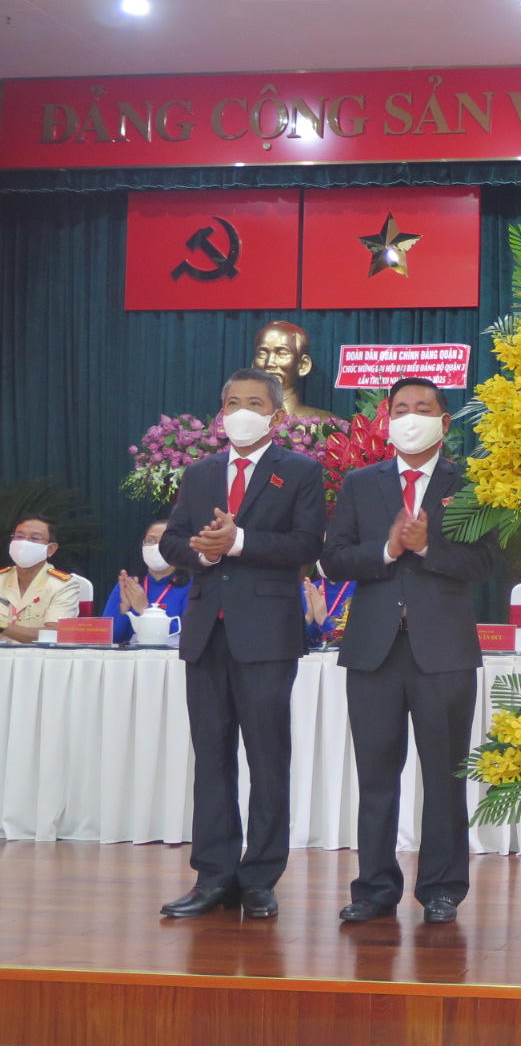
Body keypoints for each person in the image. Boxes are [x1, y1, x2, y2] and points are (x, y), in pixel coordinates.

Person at [321, 377, 497, 925]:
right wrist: (387, 548)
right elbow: (334, 559)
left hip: (443, 651)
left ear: (444, 422)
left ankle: (442, 889)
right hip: (373, 650)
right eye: (400, 409)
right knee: (376, 775)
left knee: (444, 775)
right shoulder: (361, 483)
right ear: (387, 420)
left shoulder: (470, 484)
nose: (410, 417)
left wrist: (427, 548)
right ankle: (374, 889)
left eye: (423, 408)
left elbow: (486, 563)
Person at [158, 368, 325, 919]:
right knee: (211, 758)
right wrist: (203, 551)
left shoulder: (299, 470)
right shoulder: (200, 472)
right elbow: (173, 541)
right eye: (233, 403)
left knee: (267, 758)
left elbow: (306, 543)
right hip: (207, 632)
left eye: (254, 403)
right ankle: (213, 876)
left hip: (267, 634)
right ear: (220, 412)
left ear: (276, 416)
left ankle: (260, 878)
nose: (241, 412)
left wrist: (240, 541)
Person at [102, 519, 192, 644]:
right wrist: (123, 610)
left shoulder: (192, 587)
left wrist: (145, 609)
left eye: (165, 541)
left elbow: (190, 635)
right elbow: (110, 638)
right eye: (151, 540)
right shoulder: (128, 585)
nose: (157, 547)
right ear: (143, 545)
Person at [1, 515, 80, 643]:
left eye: (34, 538)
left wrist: (2, 626)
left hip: (37, 654)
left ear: (51, 549)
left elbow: (54, 633)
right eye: (19, 536)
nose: (24, 543)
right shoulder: (2, 578)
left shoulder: (63, 585)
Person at [252, 320, 333, 421]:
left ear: (303, 365)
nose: (269, 362)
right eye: (262, 354)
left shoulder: (326, 422)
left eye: (281, 353)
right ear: (253, 365)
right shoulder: (239, 419)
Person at [302, 572, 354, 650]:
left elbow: (360, 639)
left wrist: (325, 621)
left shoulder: (361, 589)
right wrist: (308, 619)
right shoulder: (309, 589)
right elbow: (291, 643)